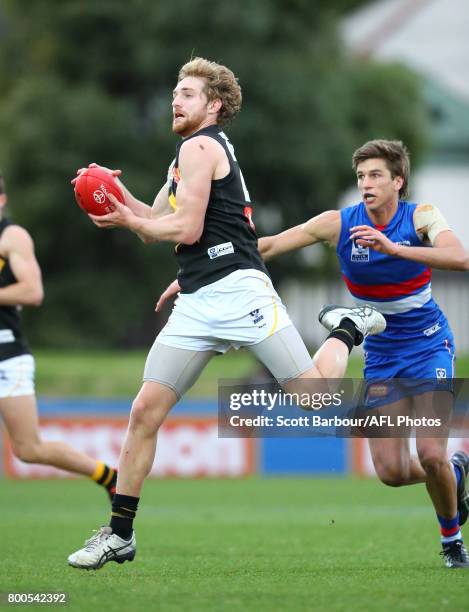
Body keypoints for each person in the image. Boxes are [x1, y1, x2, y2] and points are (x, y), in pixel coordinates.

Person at [67, 57, 386, 570]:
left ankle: (348, 328)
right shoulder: (184, 156)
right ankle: (119, 533)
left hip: (241, 291)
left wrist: (133, 223)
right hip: (198, 299)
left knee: (316, 399)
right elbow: (157, 218)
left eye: (188, 94)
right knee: (144, 410)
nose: (176, 99)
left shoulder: (200, 146)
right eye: (175, 91)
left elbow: (184, 229)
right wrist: (116, 193)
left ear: (213, 106)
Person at [234, 139, 468, 569]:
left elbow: (460, 256)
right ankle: (455, 474)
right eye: (361, 176)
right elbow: (264, 247)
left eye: (376, 174)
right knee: (392, 473)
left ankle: (451, 541)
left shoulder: (421, 217)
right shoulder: (338, 224)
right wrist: (199, 277)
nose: (366, 183)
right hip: (381, 353)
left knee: (428, 452)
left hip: (430, 344)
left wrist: (395, 249)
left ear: (399, 180)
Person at [0, 174, 117, 500]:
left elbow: (32, 291)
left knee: (28, 449)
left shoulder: (11, 236)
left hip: (6, 355)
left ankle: (107, 475)